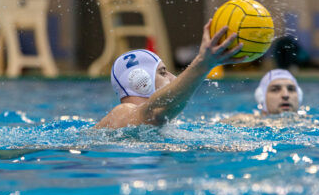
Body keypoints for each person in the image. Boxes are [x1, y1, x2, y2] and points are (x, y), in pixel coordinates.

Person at [96, 20, 246, 129]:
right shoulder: (121, 113)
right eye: (162, 72)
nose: (173, 78)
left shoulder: (151, 124)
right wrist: (203, 64)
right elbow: (155, 110)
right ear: (141, 80)